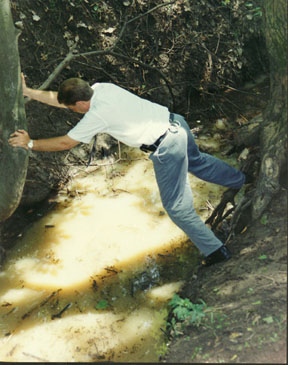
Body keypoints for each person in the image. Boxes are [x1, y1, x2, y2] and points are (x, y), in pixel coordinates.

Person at [9, 74, 246, 266]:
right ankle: (241, 180)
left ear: (81, 104)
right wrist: (28, 92)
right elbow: (61, 100)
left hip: (166, 147)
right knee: (198, 162)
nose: (72, 111)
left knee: (177, 208)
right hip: (176, 124)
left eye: (73, 108)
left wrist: (29, 143)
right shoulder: (102, 88)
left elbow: (65, 143)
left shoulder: (97, 115)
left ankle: (216, 251)